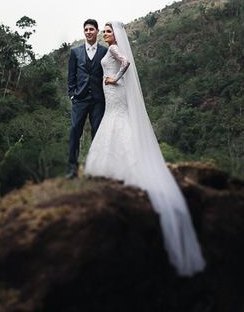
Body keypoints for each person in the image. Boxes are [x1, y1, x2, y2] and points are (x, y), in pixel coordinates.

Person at [85, 20, 206, 277]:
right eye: (104, 31)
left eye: (109, 31)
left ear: (116, 34)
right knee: (115, 123)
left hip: (115, 95)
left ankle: (127, 172)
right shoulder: (109, 50)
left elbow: (125, 63)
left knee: (118, 124)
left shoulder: (115, 50)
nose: (106, 34)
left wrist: (114, 79)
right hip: (113, 100)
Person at [66, 19, 108, 179]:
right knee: (75, 131)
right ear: (84, 32)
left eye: (92, 29)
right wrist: (72, 93)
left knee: (97, 134)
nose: (89, 32)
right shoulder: (75, 52)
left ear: (97, 32)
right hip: (80, 99)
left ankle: (95, 168)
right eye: (86, 29)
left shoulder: (104, 52)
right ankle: (72, 169)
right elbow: (71, 76)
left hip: (98, 99)